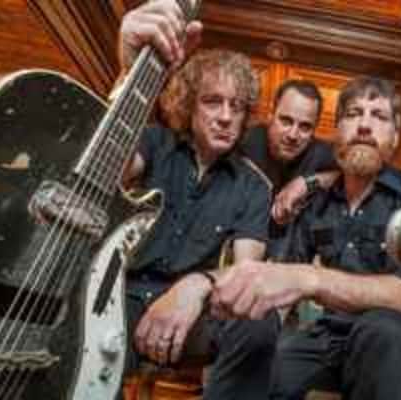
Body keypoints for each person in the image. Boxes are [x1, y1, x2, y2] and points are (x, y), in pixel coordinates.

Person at [212, 76, 401, 400]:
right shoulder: (316, 203)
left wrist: (312, 279)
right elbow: (284, 276)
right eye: (353, 114)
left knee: (387, 331)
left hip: (390, 340)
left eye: (379, 116)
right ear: (337, 130)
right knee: (254, 351)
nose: (364, 126)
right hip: (323, 339)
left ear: (395, 135)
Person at [117, 2, 280, 399]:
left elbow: (246, 274)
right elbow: (110, 171)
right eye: (213, 101)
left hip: (191, 313)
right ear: (190, 105)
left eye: (236, 106)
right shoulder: (155, 142)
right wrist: (127, 73)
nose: (226, 116)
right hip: (119, 299)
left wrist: (195, 286)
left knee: (258, 321)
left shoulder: (254, 187)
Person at [239, 79, 337, 227]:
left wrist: (306, 183)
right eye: (286, 121)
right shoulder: (245, 141)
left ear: (314, 129)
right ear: (271, 115)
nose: (293, 135)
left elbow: (348, 175)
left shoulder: (319, 152)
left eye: (305, 127)